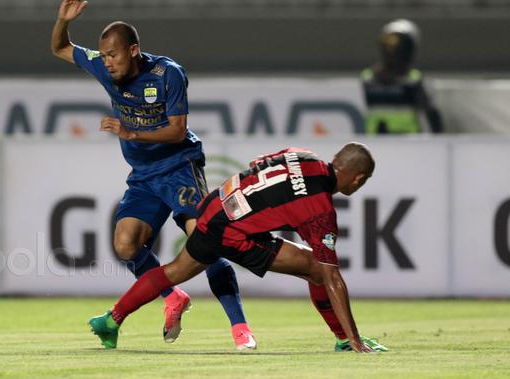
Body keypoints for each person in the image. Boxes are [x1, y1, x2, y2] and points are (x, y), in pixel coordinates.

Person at [51, 0, 256, 349]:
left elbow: (177, 131)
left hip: (180, 167)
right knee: (125, 244)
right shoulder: (104, 68)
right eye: (103, 55)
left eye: (114, 54)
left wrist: (131, 133)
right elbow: (59, 47)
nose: (108, 61)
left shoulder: (167, 74)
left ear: (133, 50)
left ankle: (240, 328)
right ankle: (173, 297)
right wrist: (62, 20)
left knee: (204, 242)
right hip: (145, 176)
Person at [89, 142, 389, 353]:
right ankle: (345, 339)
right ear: (358, 177)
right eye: (364, 180)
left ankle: (111, 320)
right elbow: (333, 277)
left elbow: (258, 162)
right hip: (233, 233)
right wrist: (356, 338)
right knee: (317, 269)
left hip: (213, 207)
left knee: (175, 271)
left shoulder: (304, 156)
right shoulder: (320, 210)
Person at [361, 19, 443, 134]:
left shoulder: (413, 80)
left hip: (407, 143)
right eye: (389, 46)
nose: (393, 52)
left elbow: (431, 113)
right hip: (374, 144)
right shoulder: (368, 79)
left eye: (400, 47)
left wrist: (438, 143)